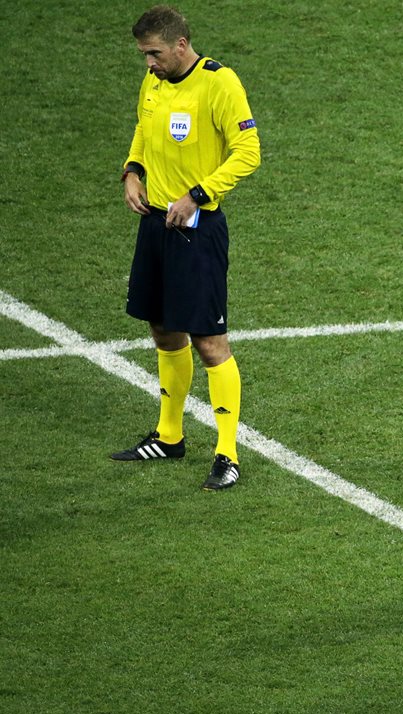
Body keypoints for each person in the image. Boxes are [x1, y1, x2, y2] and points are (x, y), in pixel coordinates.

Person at [111, 5, 260, 491]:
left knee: (208, 341)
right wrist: (133, 170)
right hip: (155, 225)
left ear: (180, 45)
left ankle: (227, 453)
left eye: (154, 54)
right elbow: (143, 126)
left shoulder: (219, 84)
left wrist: (196, 194)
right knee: (162, 328)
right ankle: (170, 436)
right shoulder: (154, 80)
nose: (148, 63)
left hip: (198, 230)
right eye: (143, 55)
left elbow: (249, 153)